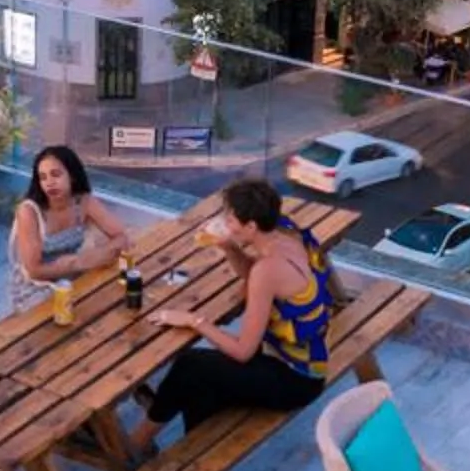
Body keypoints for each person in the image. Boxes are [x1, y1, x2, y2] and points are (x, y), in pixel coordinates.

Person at [126, 178, 336, 452]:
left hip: (296, 380)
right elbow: (255, 278)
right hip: (307, 359)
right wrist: (228, 246)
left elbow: (243, 352)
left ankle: (136, 443)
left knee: (190, 364)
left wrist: (193, 321)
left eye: (230, 218)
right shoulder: (286, 233)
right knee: (201, 382)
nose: (225, 222)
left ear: (250, 226)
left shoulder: (268, 269)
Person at [9, 143, 133, 311]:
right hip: (36, 287)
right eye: (43, 177)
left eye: (55, 174)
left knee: (113, 300)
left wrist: (98, 255)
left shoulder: (83, 202)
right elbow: (34, 271)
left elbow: (122, 237)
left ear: (72, 175)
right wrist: (80, 262)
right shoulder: (29, 212)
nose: (49, 183)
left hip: (73, 275)